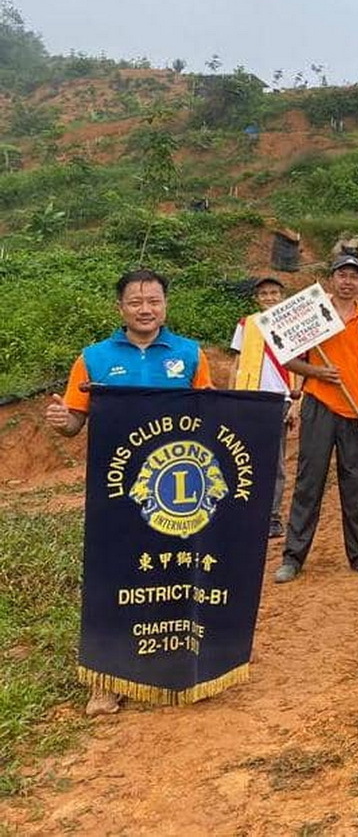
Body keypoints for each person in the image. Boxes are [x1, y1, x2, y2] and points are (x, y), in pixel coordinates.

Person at [45, 268, 215, 716]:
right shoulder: (93, 358)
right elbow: (75, 422)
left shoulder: (190, 355)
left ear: (165, 305)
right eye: (136, 302)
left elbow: (212, 415)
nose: (146, 309)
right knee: (113, 580)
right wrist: (64, 422)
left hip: (177, 491)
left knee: (176, 576)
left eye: (154, 301)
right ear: (120, 307)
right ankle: (106, 681)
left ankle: (178, 670)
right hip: (116, 492)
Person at [275, 255, 358, 584]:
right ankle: (293, 556)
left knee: (356, 485)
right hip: (319, 406)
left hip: (356, 412)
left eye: (354, 276)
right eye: (342, 275)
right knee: (309, 483)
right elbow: (288, 357)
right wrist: (317, 372)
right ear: (332, 278)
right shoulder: (313, 313)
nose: (347, 281)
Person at [229, 274, 299, 539]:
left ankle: (272, 516)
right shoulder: (246, 324)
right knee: (243, 457)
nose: (269, 297)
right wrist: (231, 397)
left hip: (280, 400)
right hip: (249, 399)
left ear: (282, 296)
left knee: (275, 462)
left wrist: (296, 402)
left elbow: (301, 365)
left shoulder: (292, 323)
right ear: (256, 298)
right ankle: (246, 512)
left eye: (274, 293)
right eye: (264, 294)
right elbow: (237, 363)